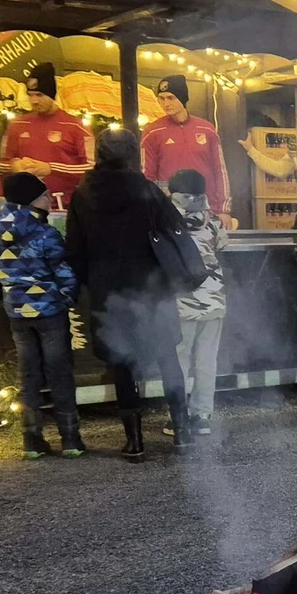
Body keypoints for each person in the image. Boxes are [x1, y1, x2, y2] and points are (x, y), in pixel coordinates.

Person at [66, 129, 190, 460]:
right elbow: (174, 229)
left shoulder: (83, 194)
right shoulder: (148, 190)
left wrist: (86, 284)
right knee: (167, 357)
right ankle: (183, 432)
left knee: (122, 364)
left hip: (109, 291)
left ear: (100, 154)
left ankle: (134, 440)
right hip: (152, 288)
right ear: (133, 153)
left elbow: (75, 249)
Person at [0, 171, 83, 459]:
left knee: (29, 375)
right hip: (50, 312)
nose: (50, 200)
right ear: (33, 200)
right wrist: (65, 299)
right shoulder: (45, 234)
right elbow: (64, 273)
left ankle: (32, 440)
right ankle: (71, 439)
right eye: (45, 195)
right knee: (59, 372)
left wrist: (8, 302)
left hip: (17, 315)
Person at [167, 169, 227, 438]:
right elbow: (222, 246)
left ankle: (178, 417)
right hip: (213, 299)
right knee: (206, 360)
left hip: (182, 301)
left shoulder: (166, 221)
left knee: (178, 360)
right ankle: (202, 416)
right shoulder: (213, 220)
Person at [0, 62, 93, 203]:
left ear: (52, 94)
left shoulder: (76, 126)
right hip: (26, 207)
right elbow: (1, 164)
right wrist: (14, 166)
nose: (34, 101)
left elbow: (91, 168)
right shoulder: (16, 125)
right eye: (30, 95)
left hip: (66, 206)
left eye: (40, 95)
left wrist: (50, 168)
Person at [141, 75, 230, 217]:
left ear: (183, 98)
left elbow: (220, 170)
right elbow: (147, 176)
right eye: (161, 98)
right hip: (171, 211)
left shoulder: (207, 129)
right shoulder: (152, 132)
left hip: (208, 209)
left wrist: (224, 210)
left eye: (171, 98)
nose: (165, 103)